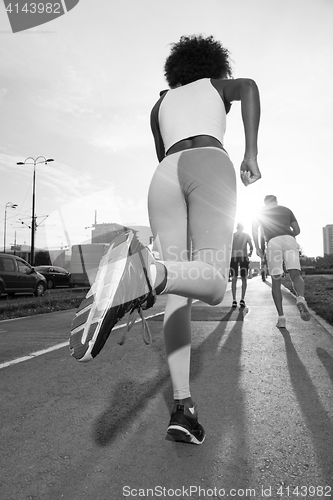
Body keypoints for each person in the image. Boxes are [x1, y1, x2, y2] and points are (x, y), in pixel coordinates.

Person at [70, 34, 261, 445]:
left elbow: (163, 154)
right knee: (212, 284)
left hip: (164, 176)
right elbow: (248, 87)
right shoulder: (215, 85)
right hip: (208, 161)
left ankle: (183, 407)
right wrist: (251, 153)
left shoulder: (160, 104)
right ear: (213, 65)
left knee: (179, 291)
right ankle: (147, 272)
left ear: (175, 71)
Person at [252, 195, 310, 328]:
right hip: (289, 239)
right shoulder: (286, 210)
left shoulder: (260, 212)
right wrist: (287, 235)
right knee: (296, 274)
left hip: (273, 242)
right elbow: (297, 230)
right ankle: (300, 298)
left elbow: (255, 231)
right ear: (276, 201)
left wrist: (258, 248)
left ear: (265, 203)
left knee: (276, 280)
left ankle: (281, 318)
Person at [230, 223, 253, 307]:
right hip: (243, 257)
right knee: (244, 279)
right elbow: (251, 246)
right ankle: (242, 299)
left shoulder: (232, 236)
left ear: (236, 228)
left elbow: (228, 246)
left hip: (233, 257)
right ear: (242, 228)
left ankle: (234, 300)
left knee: (234, 279)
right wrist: (249, 253)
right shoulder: (246, 235)